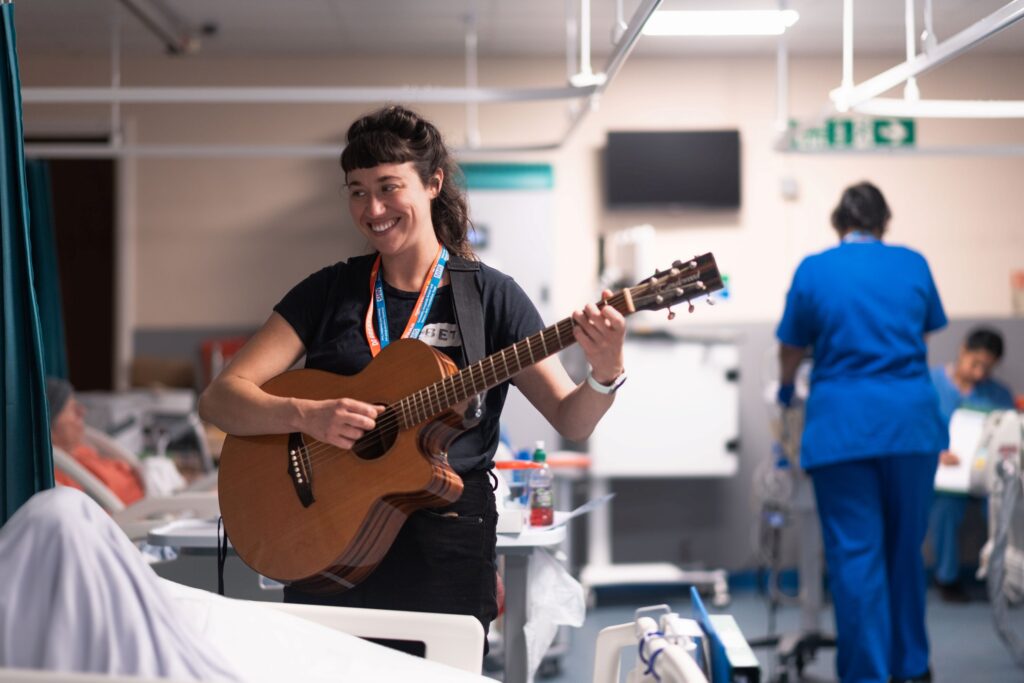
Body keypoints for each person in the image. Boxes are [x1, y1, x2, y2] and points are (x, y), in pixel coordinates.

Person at [198, 105, 626, 642]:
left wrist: (604, 372)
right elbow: (220, 399)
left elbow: (572, 417)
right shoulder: (327, 292)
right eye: (356, 190)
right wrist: (310, 416)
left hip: (444, 547)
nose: (372, 208)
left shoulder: (491, 298)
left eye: (388, 187)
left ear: (432, 184)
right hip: (324, 534)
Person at [776, 181, 947, 683]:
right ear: (883, 223)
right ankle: (911, 668)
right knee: (905, 553)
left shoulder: (815, 268)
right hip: (912, 426)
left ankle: (868, 674)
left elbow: (790, 346)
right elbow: (922, 331)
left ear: (839, 224)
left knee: (856, 558)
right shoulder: (913, 263)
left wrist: (787, 389)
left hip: (843, 430)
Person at [928, 327, 1014, 602]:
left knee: (1003, 508)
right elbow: (915, 427)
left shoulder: (998, 395)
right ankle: (947, 578)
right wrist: (937, 451)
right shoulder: (931, 384)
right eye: (975, 364)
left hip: (987, 475)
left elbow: (1009, 437)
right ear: (963, 350)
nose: (979, 373)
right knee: (945, 510)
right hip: (945, 475)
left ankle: (1004, 579)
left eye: (987, 368)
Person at [46, 376, 146, 506]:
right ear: (51, 429)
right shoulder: (60, 475)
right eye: (73, 409)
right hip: (138, 516)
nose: (82, 412)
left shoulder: (81, 450)